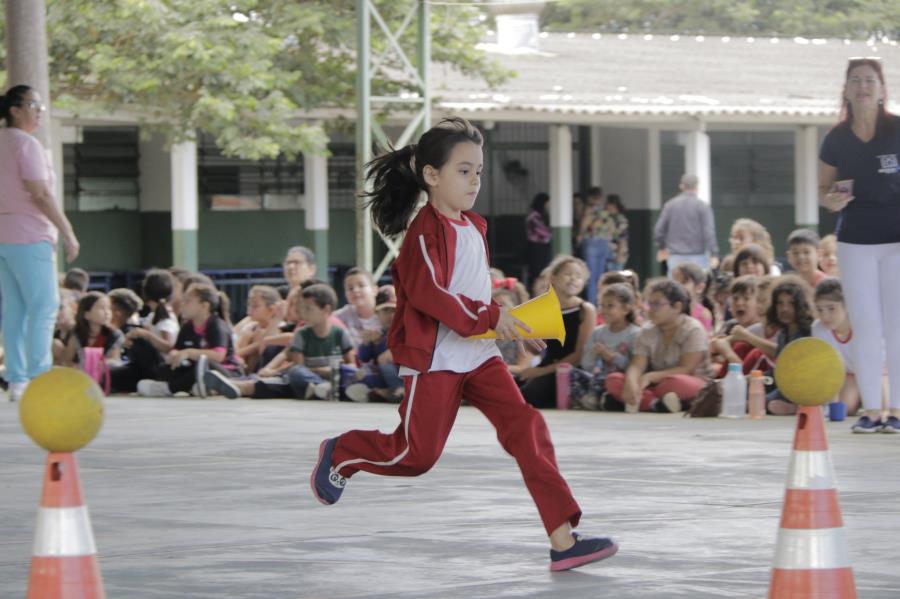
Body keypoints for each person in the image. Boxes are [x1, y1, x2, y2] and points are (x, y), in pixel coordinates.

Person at [309, 117, 617, 571]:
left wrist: (506, 322)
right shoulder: (422, 235)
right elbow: (434, 296)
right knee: (415, 456)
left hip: (478, 355)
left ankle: (563, 539)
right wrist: (496, 317)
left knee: (527, 429)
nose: (474, 180)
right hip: (435, 361)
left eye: (479, 171)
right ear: (432, 175)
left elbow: (470, 295)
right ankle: (342, 451)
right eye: (463, 170)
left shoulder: (474, 227)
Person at [819, 57, 900, 433]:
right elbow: (823, 190)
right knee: (866, 327)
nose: (863, 86)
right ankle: (871, 413)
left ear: (882, 89)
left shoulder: (897, 129)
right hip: (855, 241)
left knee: (896, 327)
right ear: (847, 90)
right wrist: (830, 200)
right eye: (856, 80)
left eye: (870, 80)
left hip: (897, 241)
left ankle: (896, 412)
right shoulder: (836, 138)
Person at [0, 85, 80, 401]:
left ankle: (18, 379)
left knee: (15, 308)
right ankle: (38, 375)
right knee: (44, 305)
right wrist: (68, 231)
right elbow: (41, 194)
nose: (39, 111)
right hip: (30, 234)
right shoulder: (26, 145)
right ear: (15, 110)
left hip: (3, 235)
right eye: (34, 105)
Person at [206, 284, 355, 400]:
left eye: (309, 309)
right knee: (293, 375)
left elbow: (351, 365)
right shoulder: (302, 334)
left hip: (332, 381)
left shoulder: (340, 334)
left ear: (326, 310)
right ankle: (320, 389)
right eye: (302, 309)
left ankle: (322, 390)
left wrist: (330, 372)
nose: (303, 314)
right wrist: (326, 372)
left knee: (350, 374)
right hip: (305, 381)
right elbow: (300, 367)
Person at [605, 279, 713, 413]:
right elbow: (637, 365)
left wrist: (650, 377)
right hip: (653, 384)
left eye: (657, 304)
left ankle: (639, 401)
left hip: (689, 381)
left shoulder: (693, 329)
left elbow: (687, 369)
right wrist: (631, 382)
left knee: (676, 382)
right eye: (649, 304)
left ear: (677, 307)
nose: (650, 310)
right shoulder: (647, 330)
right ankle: (657, 404)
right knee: (613, 379)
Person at [136, 283, 240, 397]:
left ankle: (169, 389)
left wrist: (188, 353)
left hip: (226, 371)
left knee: (205, 366)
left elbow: (218, 356)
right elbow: (177, 349)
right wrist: (174, 355)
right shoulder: (187, 327)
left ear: (204, 306)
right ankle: (199, 387)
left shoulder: (216, 325)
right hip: (194, 368)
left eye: (188, 301)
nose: (183, 304)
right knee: (164, 369)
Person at [520, 255, 596, 409]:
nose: (573, 279)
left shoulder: (585, 309)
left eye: (579, 276)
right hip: (548, 364)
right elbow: (535, 349)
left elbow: (579, 355)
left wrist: (539, 372)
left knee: (529, 395)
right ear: (553, 278)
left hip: (570, 369)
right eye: (568, 274)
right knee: (512, 385)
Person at [812, 278, 890, 428]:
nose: (825, 316)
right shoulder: (818, 328)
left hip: (881, 370)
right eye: (820, 310)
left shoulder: (864, 326)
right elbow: (829, 368)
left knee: (884, 410)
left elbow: (877, 364)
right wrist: (832, 403)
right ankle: (862, 401)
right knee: (844, 407)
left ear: (847, 306)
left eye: (831, 308)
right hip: (850, 374)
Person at [569, 283, 640, 411]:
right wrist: (594, 353)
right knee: (571, 373)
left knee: (612, 380)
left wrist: (612, 357)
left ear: (626, 309)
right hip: (598, 378)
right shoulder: (597, 332)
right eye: (602, 305)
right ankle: (595, 398)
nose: (604, 310)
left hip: (620, 379)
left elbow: (635, 366)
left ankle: (599, 399)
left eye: (610, 306)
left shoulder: (635, 333)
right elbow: (587, 365)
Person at [654, 174, 719, 275]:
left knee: (676, 288)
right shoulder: (703, 207)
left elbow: (659, 230)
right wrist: (714, 254)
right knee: (698, 286)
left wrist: (662, 247)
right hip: (698, 257)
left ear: (681, 186)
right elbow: (708, 232)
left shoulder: (670, 205)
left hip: (675, 256)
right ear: (697, 187)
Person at [61, 292, 124, 366]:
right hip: (81, 375)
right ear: (87, 315)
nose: (107, 312)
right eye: (101, 308)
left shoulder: (114, 335)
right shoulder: (76, 334)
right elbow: (66, 361)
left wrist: (96, 365)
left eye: (108, 308)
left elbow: (114, 361)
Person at [576, 186, 613, 305]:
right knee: (600, 275)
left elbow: (585, 222)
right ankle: (600, 302)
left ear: (590, 197)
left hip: (591, 241)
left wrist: (580, 235)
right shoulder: (605, 211)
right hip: (603, 242)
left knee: (590, 276)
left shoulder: (589, 209)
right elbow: (611, 228)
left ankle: (592, 304)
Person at [334, 267, 381, 348]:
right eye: (350, 288)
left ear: (375, 290)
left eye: (361, 285)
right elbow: (326, 319)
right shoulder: (345, 313)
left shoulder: (387, 314)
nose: (355, 290)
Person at [671, 262, 714, 332]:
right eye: (675, 282)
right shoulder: (669, 310)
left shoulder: (703, 315)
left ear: (700, 287)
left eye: (684, 282)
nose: (678, 286)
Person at [524, 192, 552, 285]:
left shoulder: (540, 215)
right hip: (536, 247)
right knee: (538, 272)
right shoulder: (534, 216)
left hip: (542, 247)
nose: (549, 206)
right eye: (548, 203)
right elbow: (544, 233)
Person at [604, 194, 630, 271]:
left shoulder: (620, 219)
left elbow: (622, 238)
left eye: (607, 204)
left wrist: (620, 254)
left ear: (613, 205)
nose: (605, 206)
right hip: (610, 253)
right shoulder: (609, 217)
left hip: (616, 253)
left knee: (615, 278)